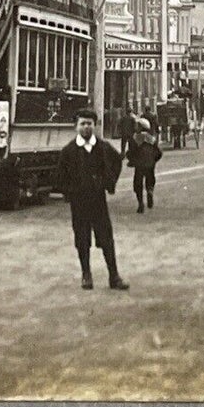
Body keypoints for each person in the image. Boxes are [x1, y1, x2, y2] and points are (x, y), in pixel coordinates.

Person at [54, 108, 128, 290]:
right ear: (76, 127)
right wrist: (69, 192)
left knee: (106, 237)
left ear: (95, 126)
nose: (86, 127)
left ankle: (114, 276)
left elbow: (117, 161)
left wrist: (108, 183)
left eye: (90, 124)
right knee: (82, 238)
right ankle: (86, 275)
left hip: (98, 201)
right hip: (79, 203)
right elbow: (60, 175)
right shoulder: (68, 151)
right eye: (83, 124)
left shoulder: (103, 148)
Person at [126, 117, 162, 214]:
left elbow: (130, 153)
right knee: (150, 180)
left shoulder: (135, 138)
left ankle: (140, 203)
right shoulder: (152, 139)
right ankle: (150, 191)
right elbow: (159, 152)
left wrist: (131, 160)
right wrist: (153, 160)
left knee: (138, 184)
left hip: (139, 165)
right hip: (150, 164)